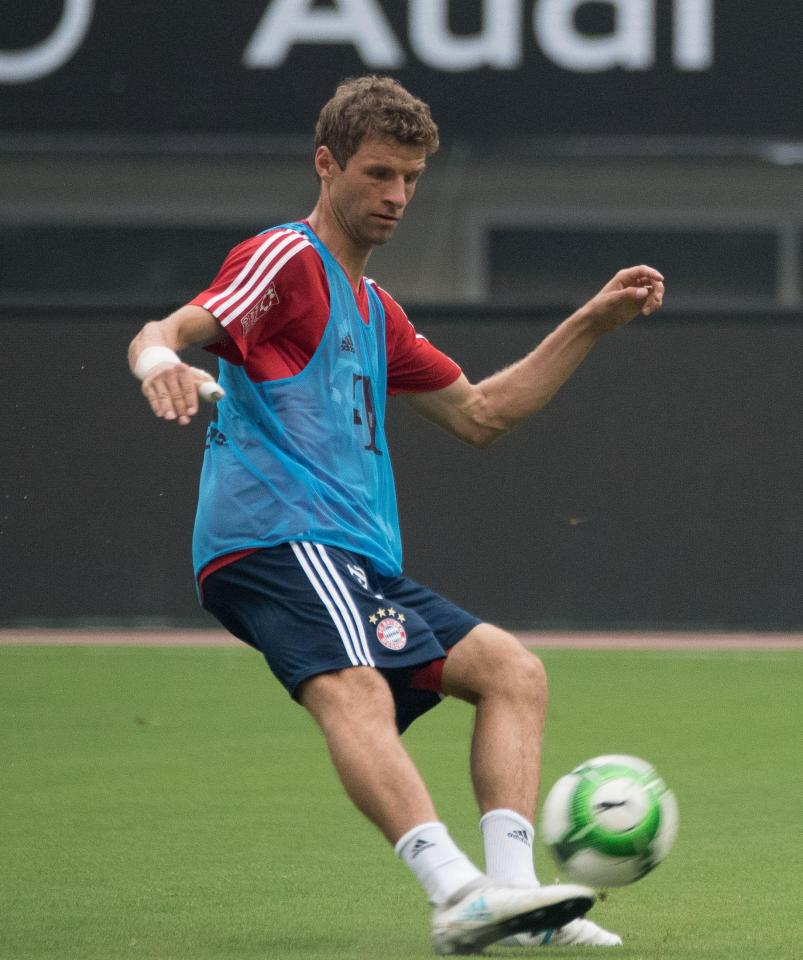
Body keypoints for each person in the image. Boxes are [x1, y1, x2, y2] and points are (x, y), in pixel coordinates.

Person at [128, 76, 664, 955]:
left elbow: (481, 414)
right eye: (378, 173)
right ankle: (454, 892)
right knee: (355, 687)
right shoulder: (287, 259)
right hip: (274, 535)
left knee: (512, 673)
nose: (396, 196)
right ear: (326, 162)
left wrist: (593, 322)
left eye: (410, 178)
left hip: (351, 557)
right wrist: (157, 362)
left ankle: (517, 900)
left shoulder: (374, 310)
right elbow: (170, 326)